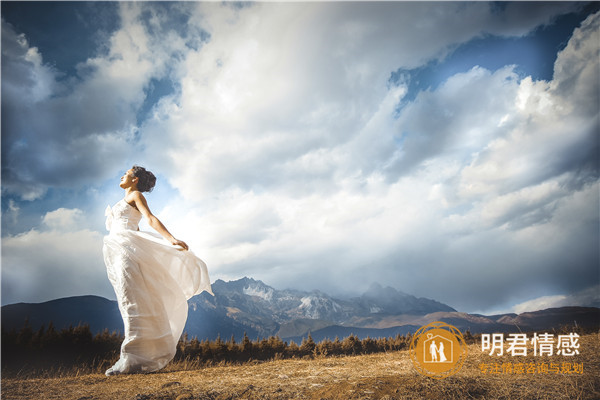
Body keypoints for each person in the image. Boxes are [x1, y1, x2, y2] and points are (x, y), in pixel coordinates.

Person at [103, 165, 213, 376]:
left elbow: (150, 219)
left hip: (125, 251)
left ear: (134, 180)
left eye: (126, 173)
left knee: (132, 302)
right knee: (129, 302)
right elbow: (134, 230)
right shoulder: (125, 200)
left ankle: (131, 358)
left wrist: (170, 240)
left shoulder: (135, 195)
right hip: (119, 250)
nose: (122, 175)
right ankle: (135, 357)